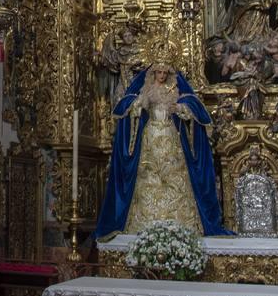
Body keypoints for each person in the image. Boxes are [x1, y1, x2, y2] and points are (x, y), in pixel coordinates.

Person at [96, 64, 231, 240]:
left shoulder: (174, 89)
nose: (161, 75)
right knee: (149, 174)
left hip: (170, 134)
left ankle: (180, 220)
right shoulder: (146, 89)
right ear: (152, 73)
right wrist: (139, 104)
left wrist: (181, 109)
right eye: (158, 72)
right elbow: (128, 105)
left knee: (173, 174)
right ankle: (145, 221)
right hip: (150, 135)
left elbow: (191, 105)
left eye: (165, 73)